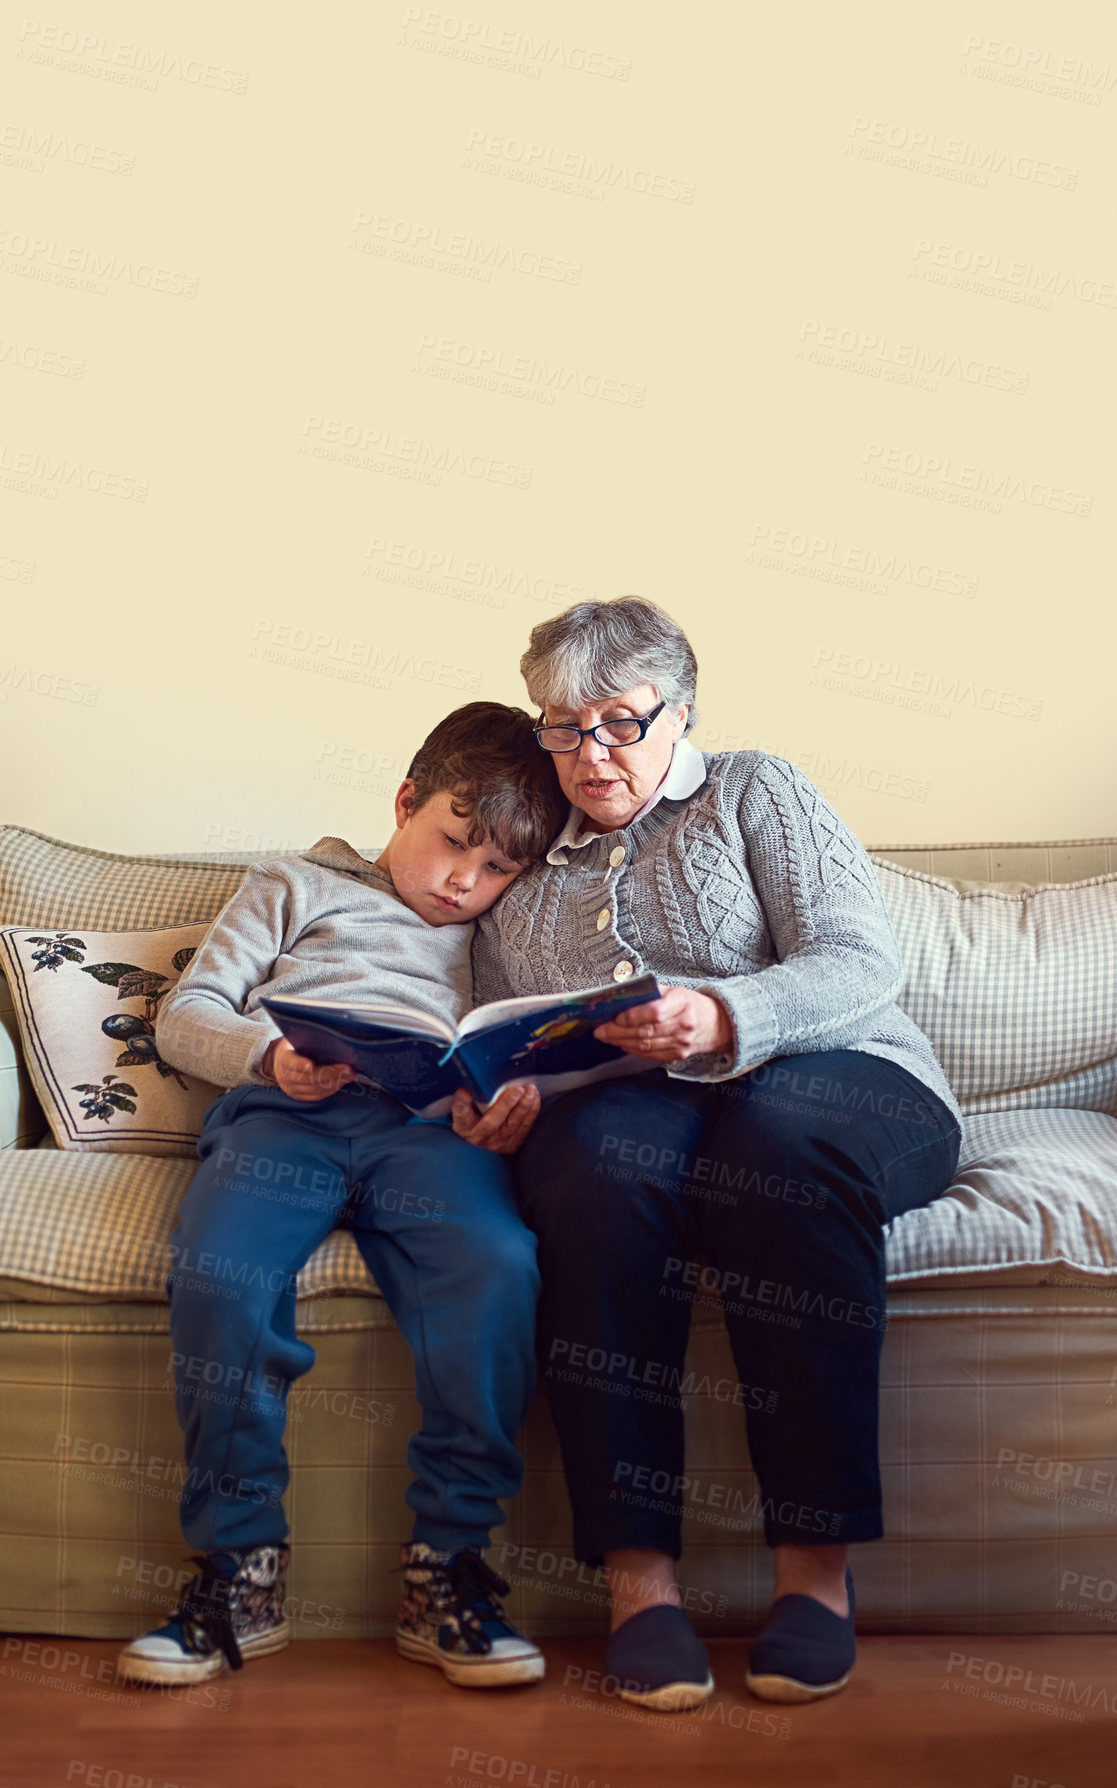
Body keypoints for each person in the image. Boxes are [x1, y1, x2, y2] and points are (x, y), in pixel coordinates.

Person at [451, 597, 964, 1712]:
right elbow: (508, 1020)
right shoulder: (527, 848)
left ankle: (814, 1577)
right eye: (560, 724)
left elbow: (855, 959)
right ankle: (641, 1586)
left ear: (679, 714)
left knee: (780, 1150)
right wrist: (504, 1092)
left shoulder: (754, 789)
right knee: (592, 1179)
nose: (587, 755)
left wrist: (724, 1014)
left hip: (841, 1070)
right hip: (635, 1102)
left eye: (617, 722)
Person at [116, 703, 567, 1692]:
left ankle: (446, 1570)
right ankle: (240, 1570)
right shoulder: (294, 883)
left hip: (430, 1137)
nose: (465, 883)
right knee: (220, 1275)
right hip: (286, 1121)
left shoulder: (509, 927)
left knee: (497, 1267)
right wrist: (269, 1059)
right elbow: (184, 1018)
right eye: (454, 843)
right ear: (405, 800)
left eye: (498, 870)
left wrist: (518, 1098)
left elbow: (535, 1041)